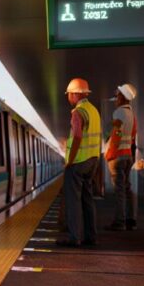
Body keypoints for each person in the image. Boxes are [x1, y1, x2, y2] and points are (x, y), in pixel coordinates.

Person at [56, 78, 101, 248]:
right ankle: (91, 236)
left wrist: (70, 160)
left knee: (73, 200)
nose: (68, 97)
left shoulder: (78, 112)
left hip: (79, 162)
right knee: (87, 199)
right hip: (92, 160)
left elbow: (77, 136)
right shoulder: (93, 111)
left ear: (75, 94)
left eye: (68, 94)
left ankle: (75, 237)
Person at [105, 83, 138, 231]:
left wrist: (110, 153)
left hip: (118, 156)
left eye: (117, 95)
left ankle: (119, 221)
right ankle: (131, 219)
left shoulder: (119, 112)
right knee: (126, 188)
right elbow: (132, 136)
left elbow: (117, 133)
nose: (116, 98)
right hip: (127, 155)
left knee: (119, 190)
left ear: (123, 97)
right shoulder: (132, 113)